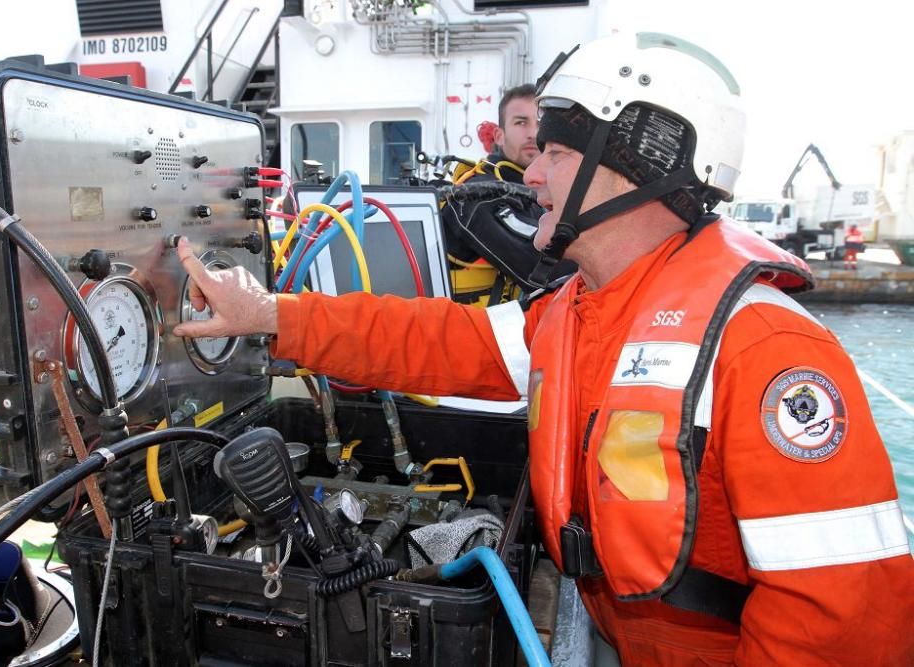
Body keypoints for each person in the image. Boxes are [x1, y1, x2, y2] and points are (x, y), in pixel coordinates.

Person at [174, 32, 914, 665]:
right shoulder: (574, 311)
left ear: (638, 161)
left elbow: (843, 618)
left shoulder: (762, 345)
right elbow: (431, 340)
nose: (528, 173)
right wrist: (272, 313)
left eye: (554, 152)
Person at [442, 84, 575, 306]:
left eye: (540, 124)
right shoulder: (478, 196)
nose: (533, 134)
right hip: (478, 333)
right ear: (499, 136)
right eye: (521, 122)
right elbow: (546, 269)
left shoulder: (537, 191)